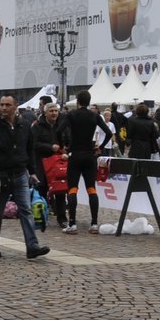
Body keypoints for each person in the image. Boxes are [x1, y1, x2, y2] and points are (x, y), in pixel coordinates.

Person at [0, 95, 49, 259]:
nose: (3, 108)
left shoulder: (25, 126)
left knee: (26, 210)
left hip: (20, 174)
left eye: (7, 105)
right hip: (0, 175)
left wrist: (32, 171)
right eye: (2, 104)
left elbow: (29, 150)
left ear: (15, 106)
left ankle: (32, 246)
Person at [61, 90, 108, 234]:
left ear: (77, 102)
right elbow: (110, 132)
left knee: (73, 188)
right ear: (89, 101)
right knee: (91, 189)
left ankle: (72, 224)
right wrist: (100, 147)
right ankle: (94, 224)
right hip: (89, 155)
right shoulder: (95, 116)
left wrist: (64, 145)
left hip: (75, 155)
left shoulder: (71, 114)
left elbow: (59, 129)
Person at [31, 101, 65, 201]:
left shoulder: (61, 125)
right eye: (51, 111)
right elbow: (34, 144)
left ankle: (61, 214)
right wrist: (49, 147)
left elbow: (68, 140)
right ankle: (42, 210)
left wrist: (65, 150)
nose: (54, 113)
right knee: (42, 187)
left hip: (58, 162)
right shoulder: (37, 126)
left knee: (60, 188)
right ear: (45, 113)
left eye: (56, 111)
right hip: (43, 162)